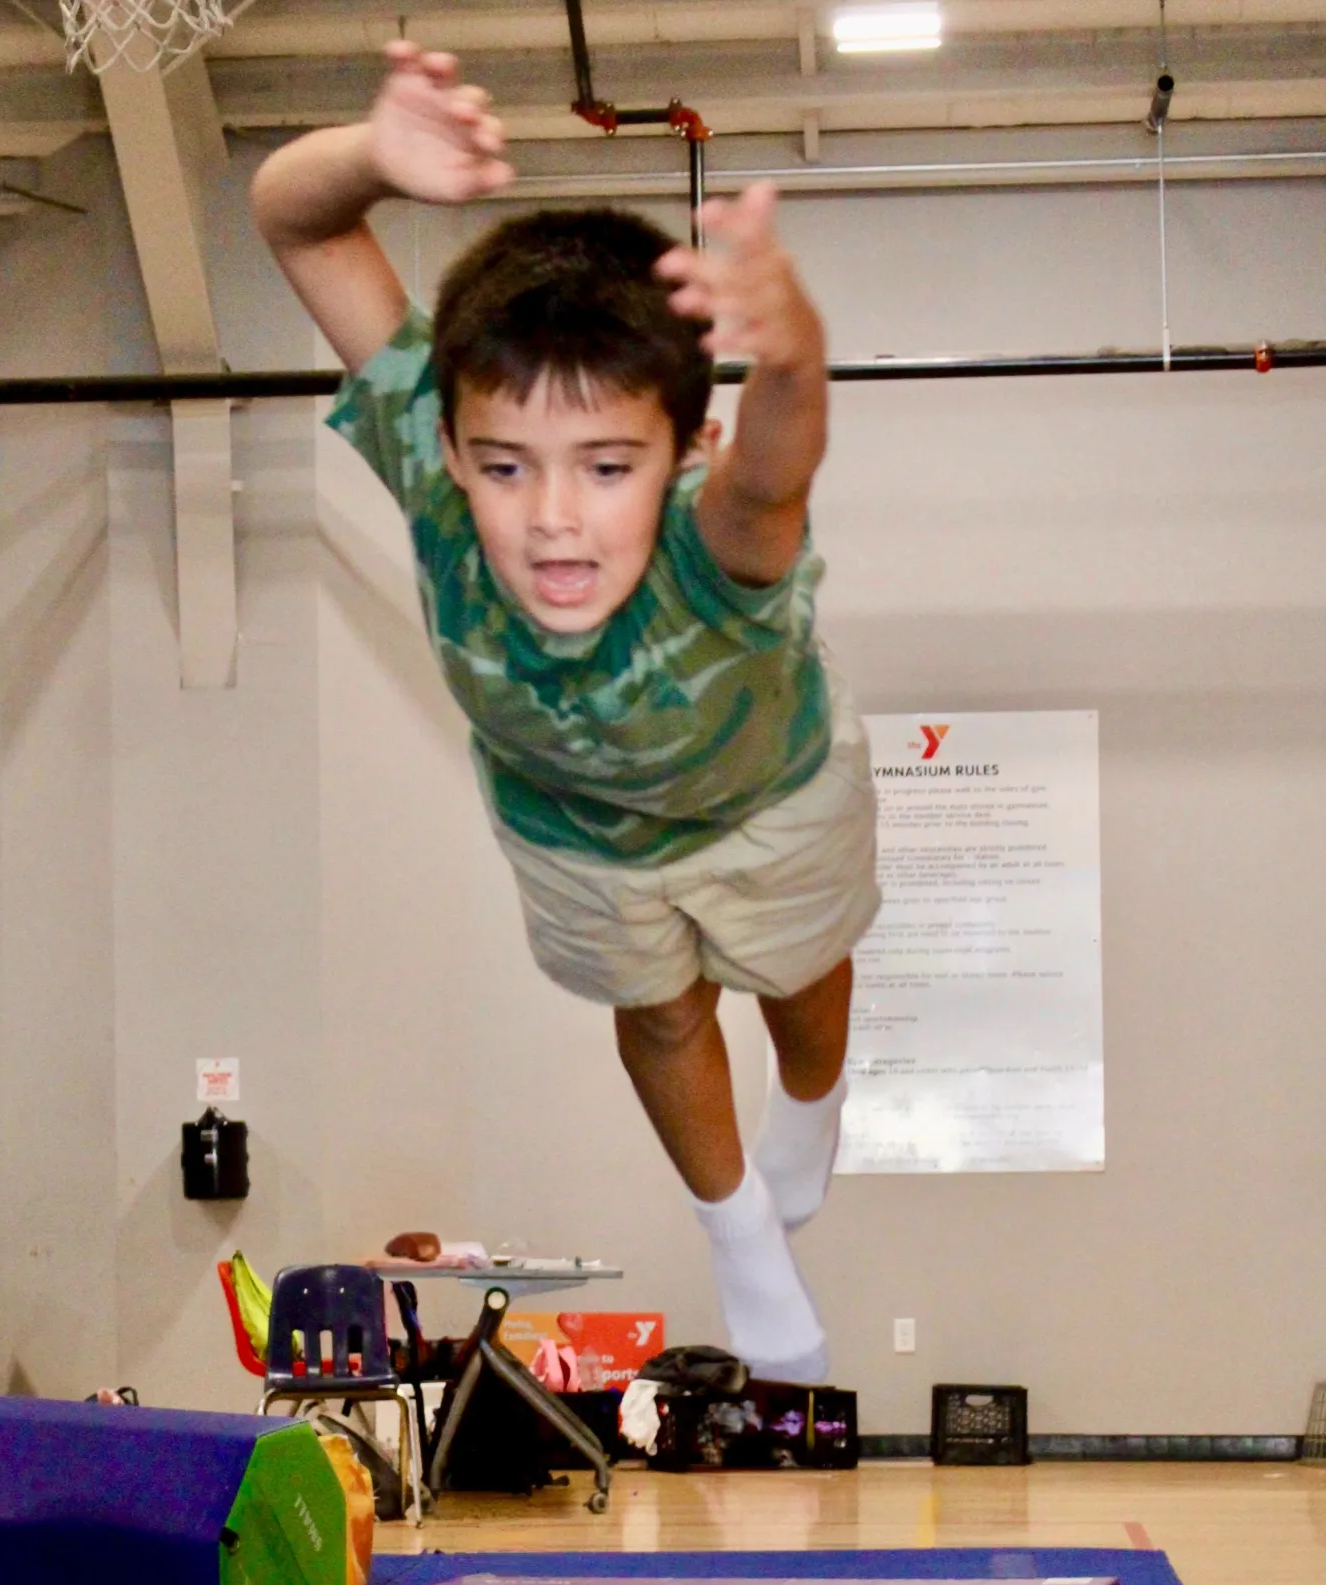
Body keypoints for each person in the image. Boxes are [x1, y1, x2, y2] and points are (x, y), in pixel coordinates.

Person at [252, 44, 877, 1384]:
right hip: (570, 824)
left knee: (801, 979)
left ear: (680, 454)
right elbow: (291, 217)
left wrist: (791, 350)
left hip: (771, 794)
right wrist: (371, 156)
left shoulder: (725, 544)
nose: (549, 518)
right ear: (456, 445)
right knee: (656, 1012)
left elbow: (780, 460)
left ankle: (813, 1112)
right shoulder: (429, 447)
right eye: (504, 468)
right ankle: (736, 1235)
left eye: (604, 468)